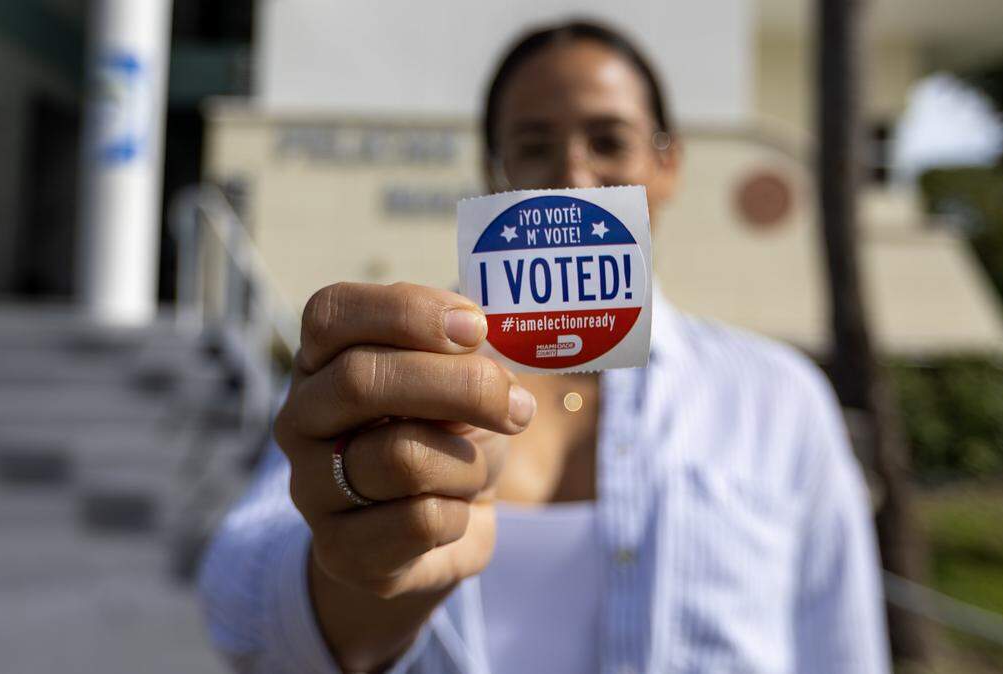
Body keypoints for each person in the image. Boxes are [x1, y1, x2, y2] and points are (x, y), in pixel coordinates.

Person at [198, 20, 890, 674]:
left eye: (609, 141)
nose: (573, 175)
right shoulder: (401, 381)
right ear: (491, 173)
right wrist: (358, 569)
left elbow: (844, 648)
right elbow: (241, 608)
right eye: (533, 144)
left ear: (667, 165)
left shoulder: (774, 398)